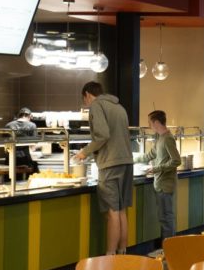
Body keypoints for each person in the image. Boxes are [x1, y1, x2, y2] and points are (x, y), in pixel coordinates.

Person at [74, 82, 133, 255]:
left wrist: (84, 152)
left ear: (87, 94)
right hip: (126, 162)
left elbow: (103, 135)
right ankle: (122, 251)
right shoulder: (119, 107)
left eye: (84, 99)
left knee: (112, 212)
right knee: (121, 210)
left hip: (110, 164)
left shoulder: (96, 106)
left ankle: (110, 256)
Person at [135, 110, 181, 243]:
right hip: (160, 184)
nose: (149, 125)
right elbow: (150, 155)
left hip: (165, 185)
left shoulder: (168, 138)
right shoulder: (160, 138)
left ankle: (168, 249)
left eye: (150, 122)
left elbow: (176, 160)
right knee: (164, 218)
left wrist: (156, 168)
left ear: (156, 122)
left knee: (166, 218)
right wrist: (131, 159)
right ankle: (167, 247)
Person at [4, 108, 39, 174]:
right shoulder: (32, 125)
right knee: (31, 175)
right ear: (29, 116)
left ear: (19, 116)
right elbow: (33, 145)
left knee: (11, 178)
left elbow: (5, 142)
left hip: (10, 157)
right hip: (25, 158)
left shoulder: (8, 125)